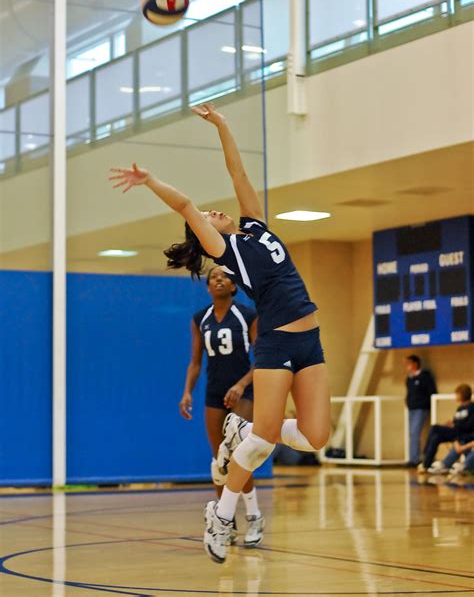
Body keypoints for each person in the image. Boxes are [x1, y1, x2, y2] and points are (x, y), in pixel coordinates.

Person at [109, 102, 330, 564]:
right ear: (207, 237)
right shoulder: (224, 250)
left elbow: (238, 174)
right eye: (209, 217)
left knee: (315, 438)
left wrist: (224, 125)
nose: (214, 212)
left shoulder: (254, 227)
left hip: (310, 339)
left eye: (215, 212)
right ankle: (222, 514)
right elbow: (187, 205)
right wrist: (150, 182)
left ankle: (242, 428)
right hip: (276, 343)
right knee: (264, 441)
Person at [180, 265, 264, 546]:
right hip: (215, 393)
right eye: (213, 277)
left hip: (244, 391)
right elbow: (195, 361)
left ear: (233, 285)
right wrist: (187, 392)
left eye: (224, 276)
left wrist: (241, 385)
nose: (218, 279)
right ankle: (224, 523)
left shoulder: (247, 314)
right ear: (208, 287)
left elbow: (261, 357)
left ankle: (254, 516)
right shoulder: (200, 319)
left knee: (241, 452)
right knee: (220, 460)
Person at [418, 384, 473, 473]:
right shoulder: (460, 408)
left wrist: (456, 426)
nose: (455, 396)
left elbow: (467, 425)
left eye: (457, 394)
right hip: (456, 431)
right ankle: (426, 463)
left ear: (462, 395)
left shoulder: (471, 407)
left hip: (462, 433)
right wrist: (452, 423)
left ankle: (428, 458)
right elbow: (457, 421)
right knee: (435, 436)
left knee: (435, 428)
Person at [405, 354, 437, 467]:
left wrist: (426, 404)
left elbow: (432, 392)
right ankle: (414, 457)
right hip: (411, 408)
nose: (407, 366)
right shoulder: (409, 378)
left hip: (421, 408)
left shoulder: (425, 376)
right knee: (412, 434)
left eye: (409, 363)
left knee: (415, 433)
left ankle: (414, 459)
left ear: (415, 363)